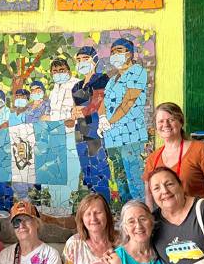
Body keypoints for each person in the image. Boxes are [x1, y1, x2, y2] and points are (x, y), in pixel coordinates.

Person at [143, 102, 204, 209]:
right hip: (167, 222)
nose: (166, 124)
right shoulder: (152, 159)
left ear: (181, 122)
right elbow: (149, 197)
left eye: (171, 120)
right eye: (161, 121)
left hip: (197, 219)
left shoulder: (200, 149)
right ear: (156, 128)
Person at [101, 38, 148, 203]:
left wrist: (110, 121)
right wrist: (101, 119)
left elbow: (129, 101)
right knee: (120, 180)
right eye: (113, 51)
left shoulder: (137, 72)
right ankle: (127, 210)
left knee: (134, 177)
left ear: (130, 53)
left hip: (131, 136)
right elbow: (103, 103)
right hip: (112, 138)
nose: (115, 54)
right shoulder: (112, 80)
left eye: (119, 50)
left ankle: (142, 209)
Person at [71, 46, 111, 199]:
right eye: (79, 60)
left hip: (94, 127)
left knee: (98, 164)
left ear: (94, 61)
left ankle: (104, 201)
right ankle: (93, 199)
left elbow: (98, 101)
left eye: (85, 59)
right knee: (85, 166)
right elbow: (75, 107)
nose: (82, 62)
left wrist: (81, 110)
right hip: (80, 129)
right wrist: (73, 112)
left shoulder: (102, 78)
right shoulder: (76, 86)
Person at [45, 58, 82, 216]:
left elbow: (81, 109)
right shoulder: (53, 90)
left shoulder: (77, 85)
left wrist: (73, 119)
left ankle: (66, 209)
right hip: (54, 136)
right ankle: (55, 208)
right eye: (55, 71)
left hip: (71, 135)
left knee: (71, 172)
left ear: (69, 70)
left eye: (61, 70)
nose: (58, 74)